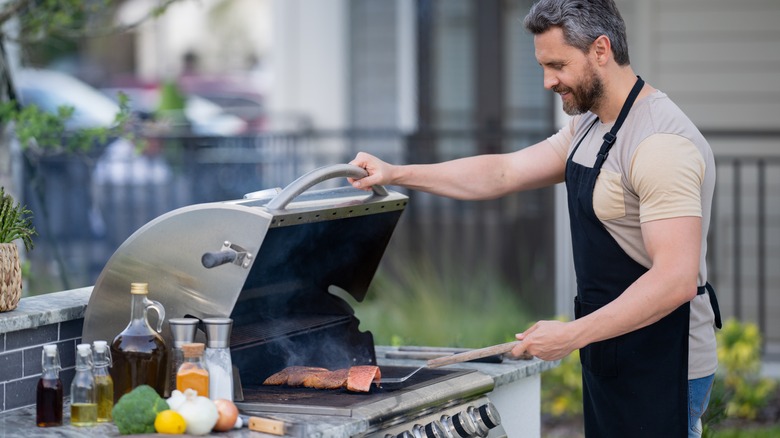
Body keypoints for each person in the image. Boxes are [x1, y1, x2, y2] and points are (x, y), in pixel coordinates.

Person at [348, 1, 722, 437]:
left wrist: (571, 335)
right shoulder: (591, 125)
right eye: (543, 66)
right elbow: (503, 172)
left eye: (557, 65)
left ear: (600, 50)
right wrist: (397, 173)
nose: (547, 81)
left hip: (664, 360)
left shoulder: (659, 143)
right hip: (613, 349)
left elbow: (674, 279)